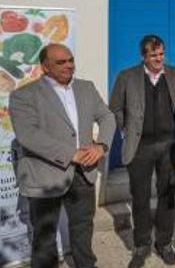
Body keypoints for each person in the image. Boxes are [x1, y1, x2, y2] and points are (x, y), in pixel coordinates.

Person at [9, 44, 115, 268]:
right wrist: (71, 154)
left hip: (84, 172)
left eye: (70, 60)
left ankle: (86, 264)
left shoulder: (86, 88)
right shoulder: (23, 95)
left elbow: (107, 116)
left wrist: (101, 146)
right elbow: (28, 135)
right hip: (45, 175)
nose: (69, 65)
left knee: (83, 227)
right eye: (61, 62)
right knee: (44, 235)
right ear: (45, 66)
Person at [109, 35, 175, 267]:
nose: (159, 59)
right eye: (153, 55)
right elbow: (115, 107)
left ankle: (164, 243)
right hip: (140, 147)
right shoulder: (127, 76)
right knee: (140, 197)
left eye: (161, 54)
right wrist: (127, 130)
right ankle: (142, 245)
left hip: (168, 146)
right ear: (144, 56)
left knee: (167, 196)